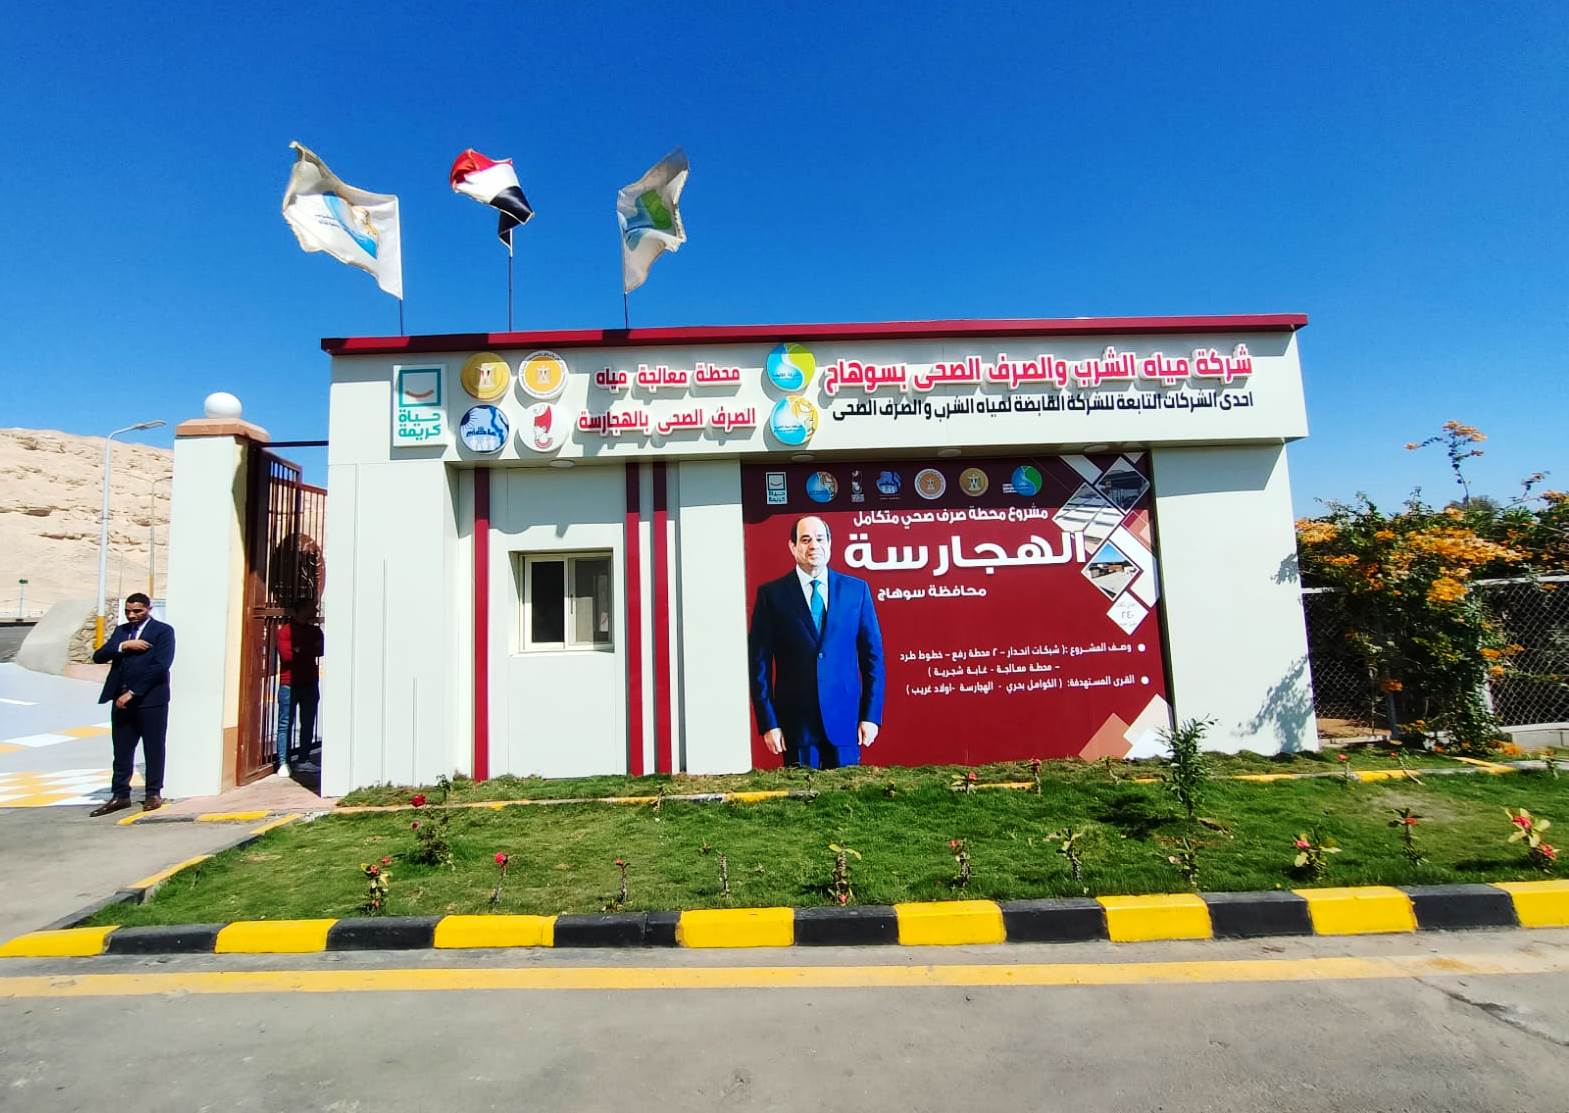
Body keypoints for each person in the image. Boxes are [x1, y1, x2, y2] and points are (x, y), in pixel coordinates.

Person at [748, 515, 885, 768]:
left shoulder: (856, 591)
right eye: (805, 539)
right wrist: (769, 723)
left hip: (846, 724)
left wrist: (871, 716)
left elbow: (873, 659)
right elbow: (759, 666)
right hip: (796, 727)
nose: (814, 545)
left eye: (820, 539)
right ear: (792, 547)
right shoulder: (772, 595)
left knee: (847, 793)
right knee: (802, 793)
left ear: (830, 544)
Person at [89, 593, 175, 815]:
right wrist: (123, 645)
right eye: (128, 611)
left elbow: (160, 666)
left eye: (138, 611)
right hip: (121, 702)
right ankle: (120, 795)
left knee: (153, 747)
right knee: (122, 750)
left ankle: (153, 793)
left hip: (151, 701)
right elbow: (99, 656)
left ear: (148, 609)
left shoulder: (163, 631)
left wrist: (133, 692)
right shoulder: (122, 631)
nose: (132, 615)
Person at [276, 601, 323, 770]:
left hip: (310, 682)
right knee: (285, 723)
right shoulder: (285, 631)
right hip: (289, 684)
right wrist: (307, 650)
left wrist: (299, 649)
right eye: (312, 607)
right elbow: (287, 656)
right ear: (302, 609)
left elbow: (321, 650)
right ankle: (283, 762)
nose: (316, 610)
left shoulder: (315, 631)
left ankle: (303, 759)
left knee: (308, 722)